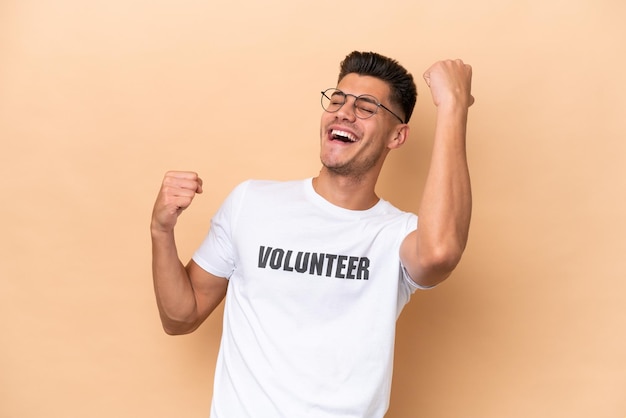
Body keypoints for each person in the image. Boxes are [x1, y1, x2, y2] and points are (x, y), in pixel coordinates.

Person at [151, 51, 473, 417]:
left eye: (366, 107)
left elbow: (440, 253)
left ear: (397, 136)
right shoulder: (251, 203)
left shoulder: (397, 235)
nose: (343, 112)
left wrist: (454, 105)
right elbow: (180, 317)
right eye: (337, 100)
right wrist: (161, 230)